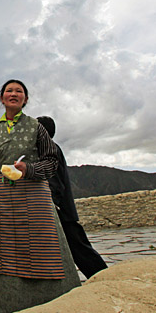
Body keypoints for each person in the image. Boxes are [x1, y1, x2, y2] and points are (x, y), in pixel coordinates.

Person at [0, 80, 81, 313]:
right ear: (1, 98)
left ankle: (58, 311)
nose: (14, 94)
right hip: (5, 199)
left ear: (25, 99)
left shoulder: (36, 127)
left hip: (35, 196)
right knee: (8, 254)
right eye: (9, 91)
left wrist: (29, 169)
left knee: (45, 249)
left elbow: (52, 162)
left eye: (19, 91)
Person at [37, 116, 108, 279]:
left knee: (79, 248)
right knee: (78, 247)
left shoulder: (49, 150)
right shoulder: (51, 148)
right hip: (63, 210)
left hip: (61, 211)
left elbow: (54, 181)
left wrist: (52, 204)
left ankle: (103, 277)